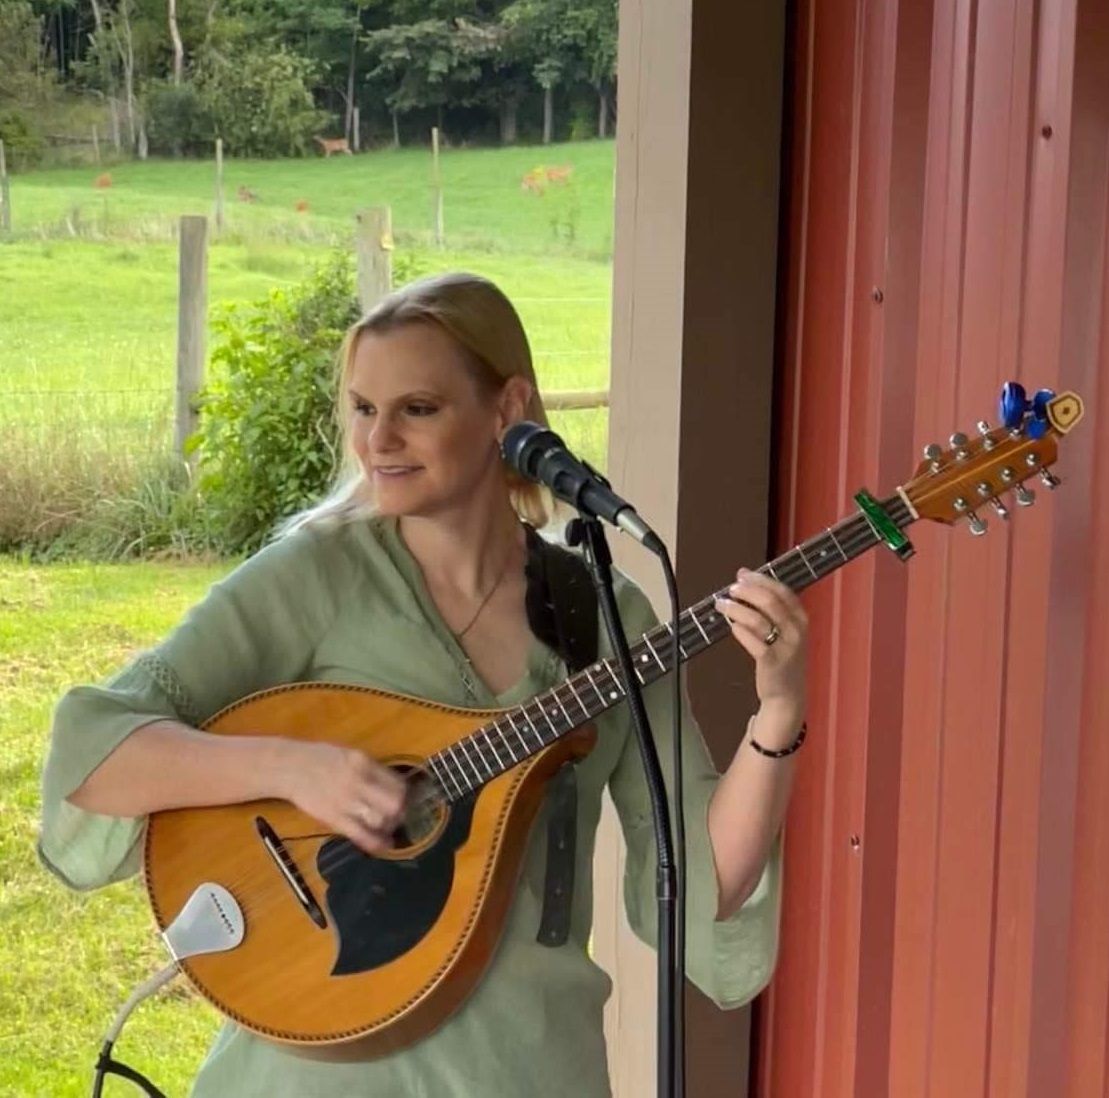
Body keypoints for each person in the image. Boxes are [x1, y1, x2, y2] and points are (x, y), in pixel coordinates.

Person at [38, 272, 809, 1097]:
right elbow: (97, 752)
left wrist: (780, 708)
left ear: (507, 409)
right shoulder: (317, 577)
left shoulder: (603, 613)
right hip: (311, 1076)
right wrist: (295, 769)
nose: (378, 442)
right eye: (364, 409)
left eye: (417, 408)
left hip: (527, 1069)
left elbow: (700, 879)